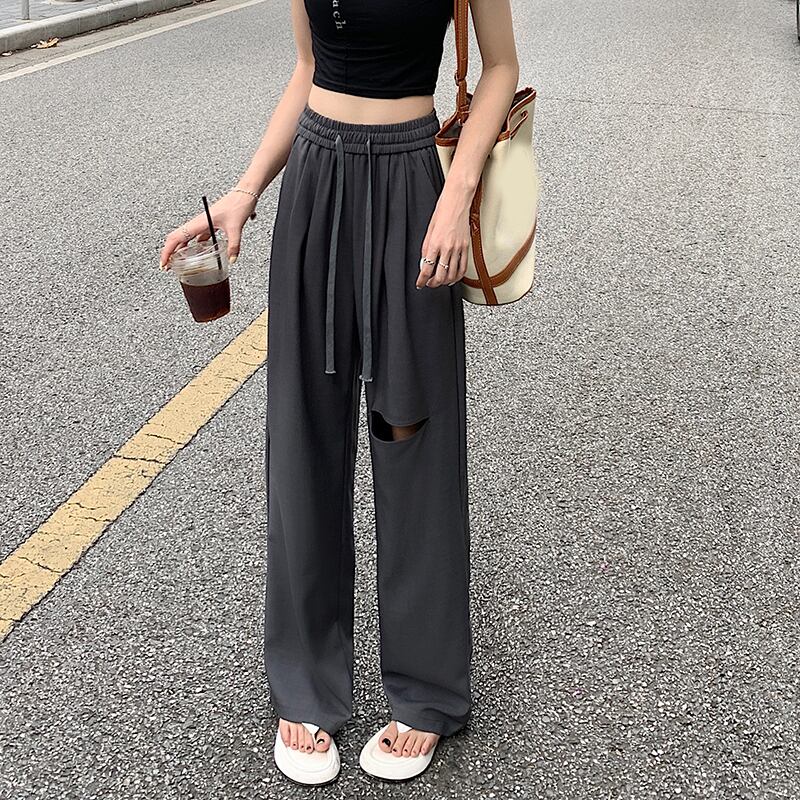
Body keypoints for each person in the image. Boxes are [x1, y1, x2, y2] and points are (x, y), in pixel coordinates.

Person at [159, 0, 521, 785]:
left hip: (414, 183)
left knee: (413, 433)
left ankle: (426, 690)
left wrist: (455, 193)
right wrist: (245, 192)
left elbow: (500, 67)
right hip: (316, 178)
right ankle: (306, 681)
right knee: (303, 434)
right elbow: (308, 68)